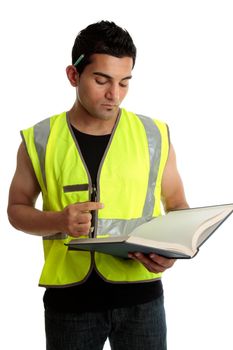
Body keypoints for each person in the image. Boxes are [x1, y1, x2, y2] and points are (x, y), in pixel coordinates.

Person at [7, 20, 188, 350]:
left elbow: (177, 205)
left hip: (142, 298)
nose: (113, 94)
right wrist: (58, 221)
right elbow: (16, 210)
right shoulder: (39, 139)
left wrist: (171, 251)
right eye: (101, 80)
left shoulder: (154, 135)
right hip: (70, 303)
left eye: (124, 82)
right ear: (73, 76)